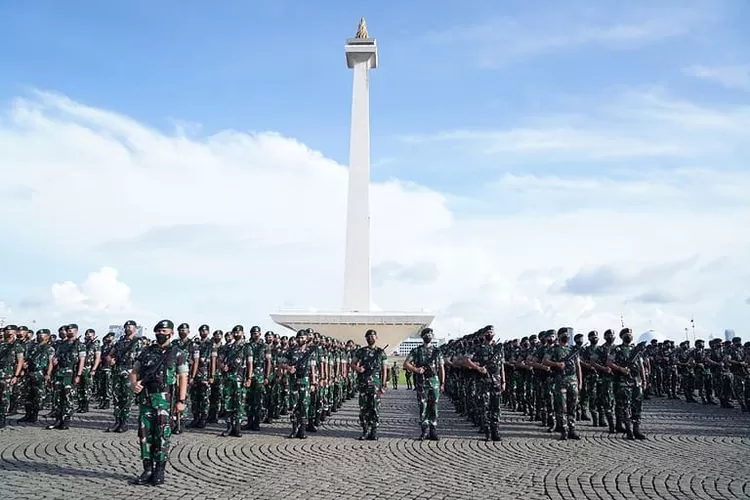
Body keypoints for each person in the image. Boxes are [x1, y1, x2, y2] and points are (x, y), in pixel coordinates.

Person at [130, 320, 188, 486]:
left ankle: (159, 470)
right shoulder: (146, 352)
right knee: (144, 434)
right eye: (158, 331)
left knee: (162, 434)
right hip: (146, 398)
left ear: (171, 333)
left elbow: (183, 377)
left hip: (164, 400)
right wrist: (134, 384)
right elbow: (134, 372)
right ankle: (147, 468)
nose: (160, 334)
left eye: (164, 331)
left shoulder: (178, 353)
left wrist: (181, 400)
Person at [403, 327, 445, 441]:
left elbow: (441, 368)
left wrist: (442, 383)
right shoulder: (416, 351)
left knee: (434, 405)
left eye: (431, 334)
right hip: (422, 382)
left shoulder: (437, 351)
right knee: (423, 406)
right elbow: (406, 364)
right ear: (422, 337)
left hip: (434, 381)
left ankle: (433, 429)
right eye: (426, 334)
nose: (429, 336)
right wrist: (416, 369)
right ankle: (424, 430)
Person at [350, 329, 387, 440]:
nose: (371, 338)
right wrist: (358, 368)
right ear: (366, 338)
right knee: (364, 408)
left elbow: (384, 369)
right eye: (368, 336)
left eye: (373, 336)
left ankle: (374, 431)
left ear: (377, 338)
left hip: (375, 383)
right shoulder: (361, 351)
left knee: (375, 407)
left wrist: (383, 385)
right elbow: (352, 363)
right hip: (363, 383)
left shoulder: (381, 352)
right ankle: (365, 430)